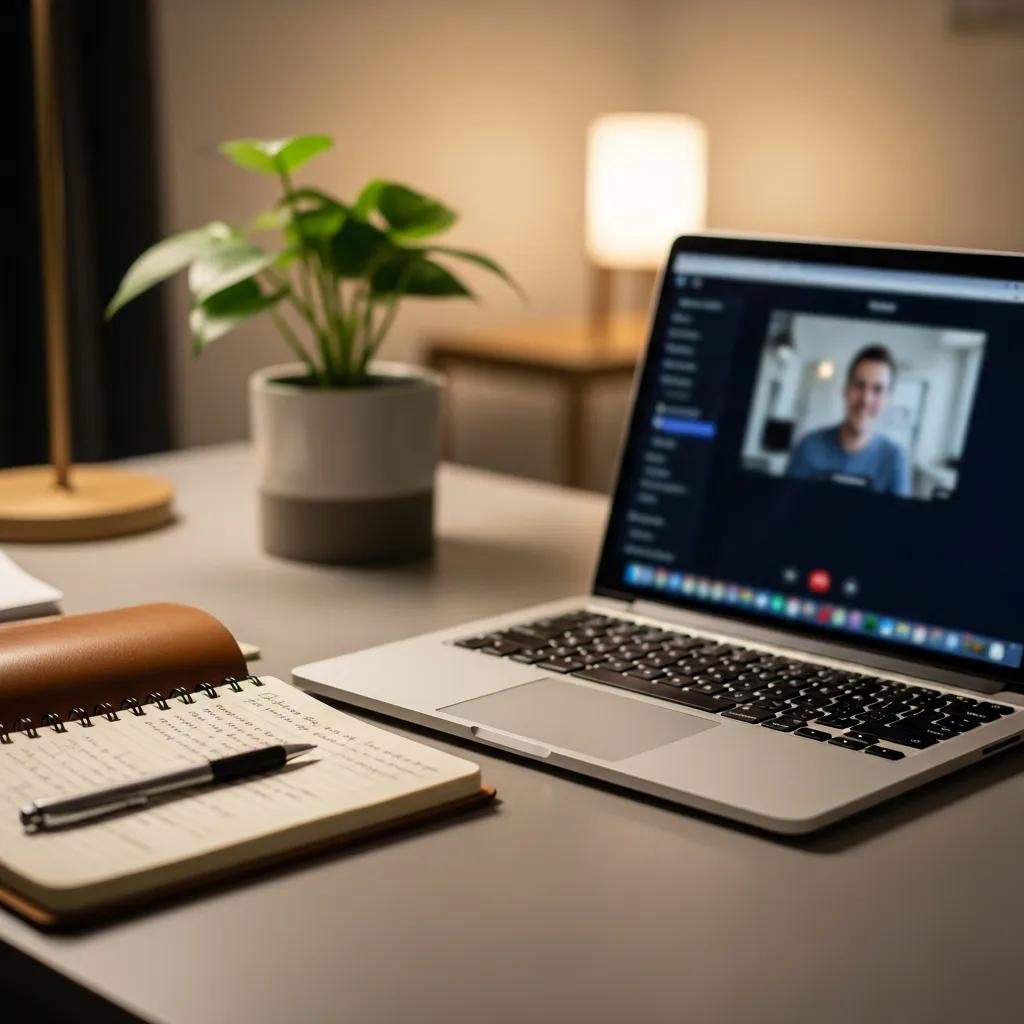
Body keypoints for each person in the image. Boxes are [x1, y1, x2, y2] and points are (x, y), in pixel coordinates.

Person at [786, 344, 911, 497]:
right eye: (859, 385)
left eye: (877, 389)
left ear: (887, 400)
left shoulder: (895, 460)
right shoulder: (808, 447)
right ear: (845, 390)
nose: (866, 399)